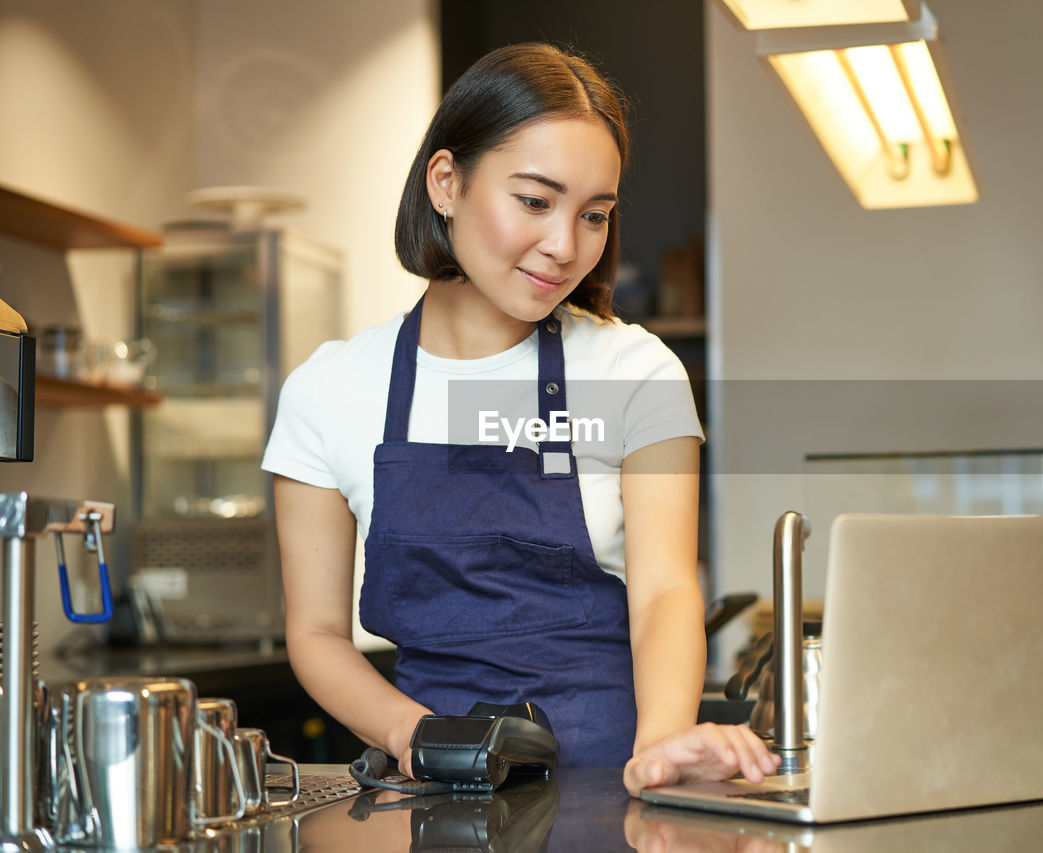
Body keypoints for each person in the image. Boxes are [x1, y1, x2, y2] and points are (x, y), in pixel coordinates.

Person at [263, 42, 779, 796]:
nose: (565, 246)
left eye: (594, 215)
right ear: (446, 182)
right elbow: (313, 634)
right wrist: (417, 736)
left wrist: (662, 745)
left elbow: (666, 589)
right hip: (426, 791)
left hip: (612, 783)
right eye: (534, 201)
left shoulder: (636, 373)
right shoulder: (329, 390)